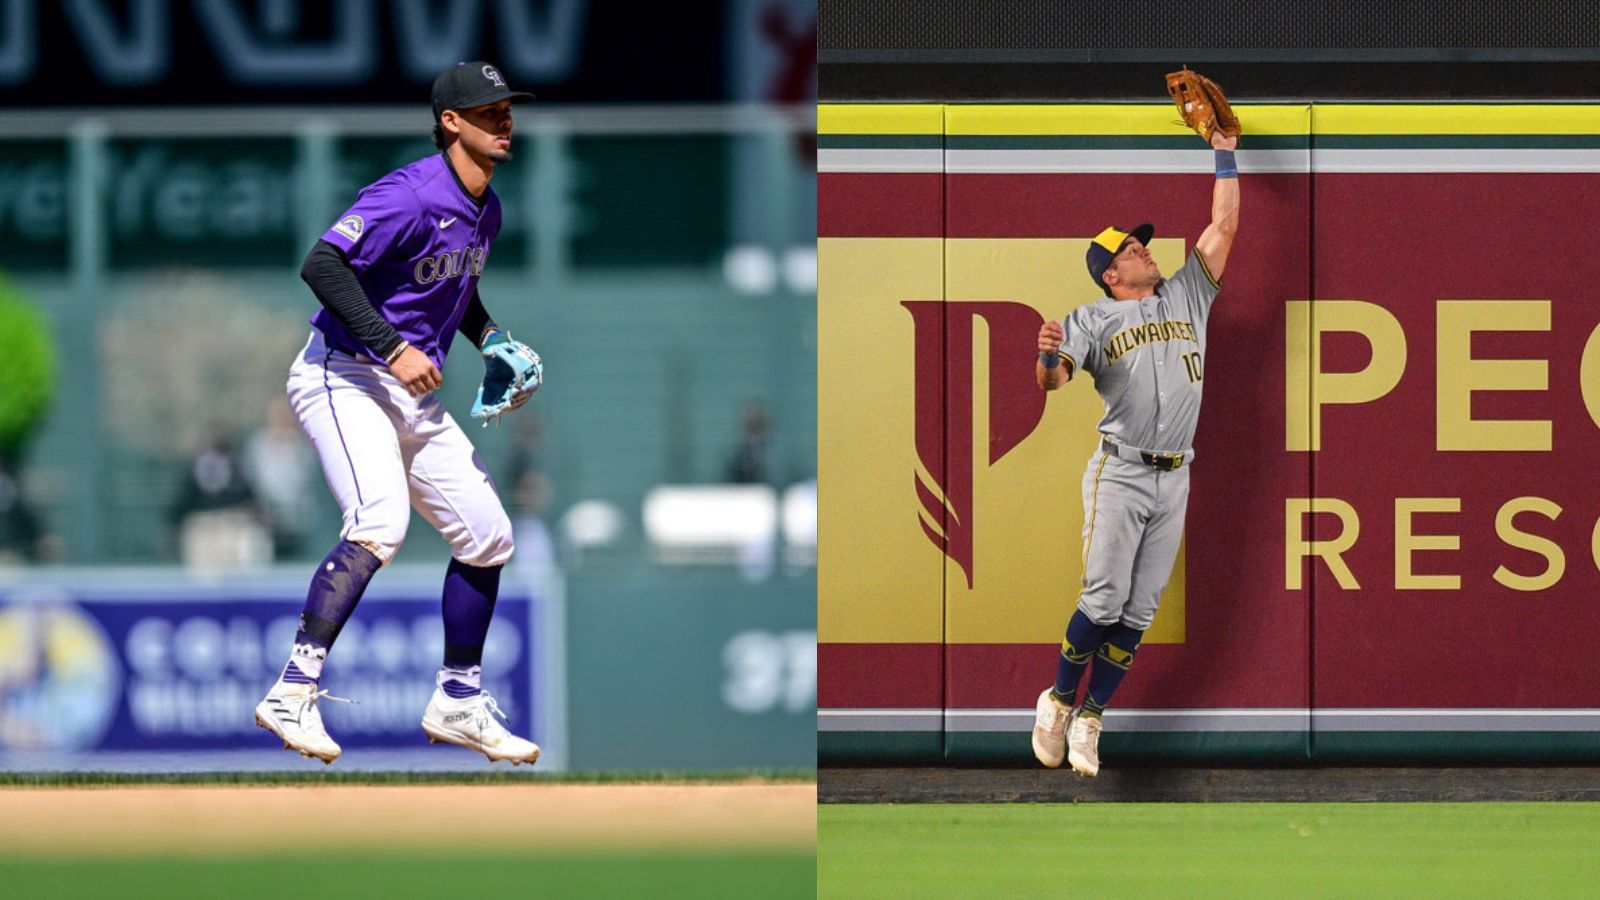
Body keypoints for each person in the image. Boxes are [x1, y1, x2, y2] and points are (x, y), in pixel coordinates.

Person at [253, 61, 543, 766]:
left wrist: (492, 339)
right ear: (451, 121)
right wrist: (391, 347)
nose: (504, 120)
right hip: (341, 372)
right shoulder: (411, 195)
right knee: (380, 521)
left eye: (507, 108)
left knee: (487, 534)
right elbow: (323, 264)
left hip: (404, 390)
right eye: (488, 111)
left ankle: (459, 700)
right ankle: (292, 690)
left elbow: (452, 292)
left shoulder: (488, 208)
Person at [1030, 128, 1241, 776]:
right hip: (1121, 472)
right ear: (1111, 272)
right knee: (1102, 602)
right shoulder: (1092, 318)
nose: (1145, 249)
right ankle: (1060, 700)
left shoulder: (1186, 295)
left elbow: (1225, 225)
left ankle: (1091, 718)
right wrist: (1043, 359)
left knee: (1139, 610)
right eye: (1131, 247)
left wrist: (1224, 149)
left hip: (1176, 475)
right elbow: (1056, 380)